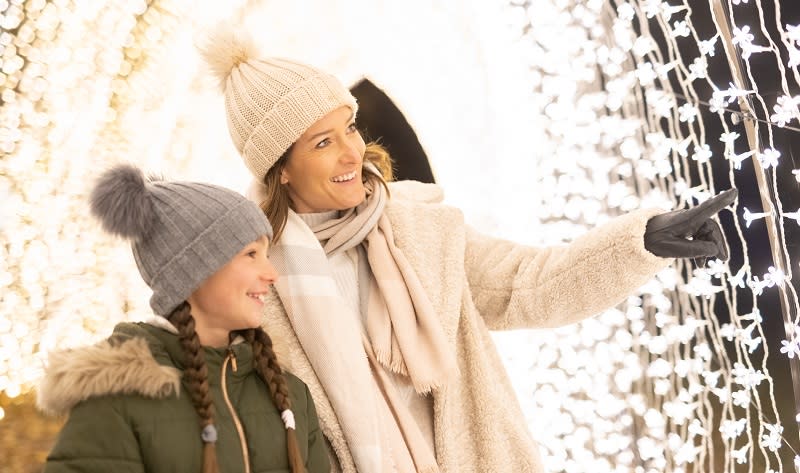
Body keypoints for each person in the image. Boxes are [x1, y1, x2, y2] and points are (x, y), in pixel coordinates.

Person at [200, 25, 737, 473]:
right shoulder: (253, 283)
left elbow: (532, 283)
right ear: (282, 169)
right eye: (323, 143)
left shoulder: (419, 230)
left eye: (349, 127)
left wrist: (638, 242)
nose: (351, 151)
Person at [37, 164, 330, 473]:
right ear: (193, 271)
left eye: (267, 256)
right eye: (251, 254)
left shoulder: (290, 394)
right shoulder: (114, 403)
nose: (271, 274)